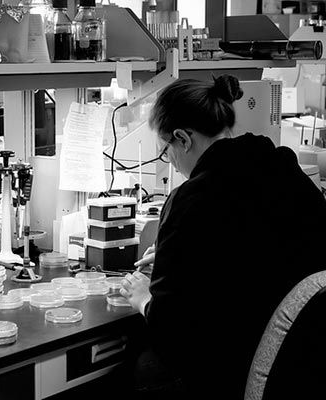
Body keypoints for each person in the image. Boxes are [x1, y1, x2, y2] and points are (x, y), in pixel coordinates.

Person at [120, 74, 326, 400]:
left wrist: (144, 297)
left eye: (165, 151)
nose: (169, 160)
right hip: (307, 357)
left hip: (234, 364)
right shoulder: (281, 165)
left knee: (143, 363)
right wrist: (176, 257)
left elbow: (172, 330)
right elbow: (252, 251)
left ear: (183, 139)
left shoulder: (191, 199)